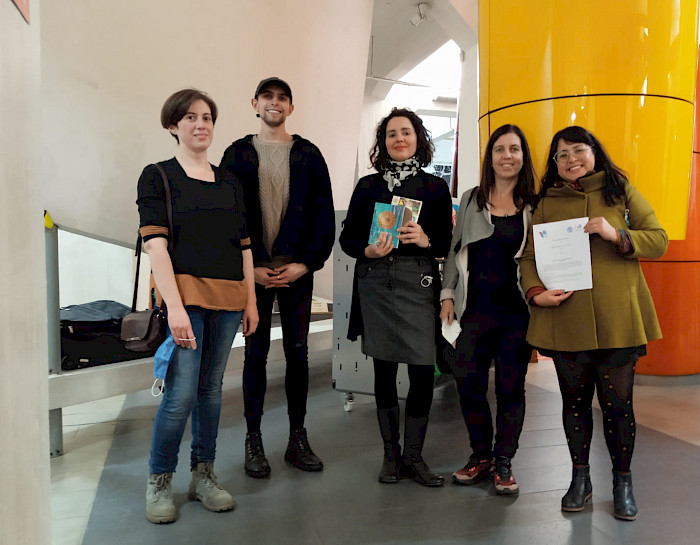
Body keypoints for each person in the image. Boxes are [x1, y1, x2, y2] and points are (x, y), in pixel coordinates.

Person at [520, 126, 668, 520]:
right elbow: (529, 257)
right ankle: (580, 480)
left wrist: (616, 233)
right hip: (567, 322)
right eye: (562, 154)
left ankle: (622, 482)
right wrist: (535, 292)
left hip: (618, 319)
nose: (571, 159)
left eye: (578, 150)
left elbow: (658, 239)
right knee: (574, 404)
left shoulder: (620, 190)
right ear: (555, 164)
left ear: (594, 152)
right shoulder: (546, 202)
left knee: (618, 405)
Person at [138, 89, 258, 523]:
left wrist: (250, 300)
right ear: (173, 125)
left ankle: (203, 475)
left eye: (207, 117)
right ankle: (159, 480)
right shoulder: (157, 176)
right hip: (185, 299)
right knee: (181, 394)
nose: (200, 124)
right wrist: (174, 308)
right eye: (190, 117)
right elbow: (156, 247)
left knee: (211, 392)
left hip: (228, 300)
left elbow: (244, 246)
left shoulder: (229, 182)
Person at [220, 77, 335, 477]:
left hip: (295, 270)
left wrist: (306, 264)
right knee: (255, 354)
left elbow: (323, 216)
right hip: (252, 271)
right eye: (267, 96)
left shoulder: (309, 154)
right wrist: (248, 268)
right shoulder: (236, 154)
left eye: (282, 98)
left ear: (291, 107)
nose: (275, 103)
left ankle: (297, 439)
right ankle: (253, 440)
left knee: (297, 353)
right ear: (254, 103)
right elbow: (225, 217)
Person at [339, 108, 453, 487]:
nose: (399, 139)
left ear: (418, 139)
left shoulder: (434, 188)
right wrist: (367, 250)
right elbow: (348, 239)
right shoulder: (367, 186)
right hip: (375, 283)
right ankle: (391, 456)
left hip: (417, 284)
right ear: (383, 142)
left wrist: (426, 240)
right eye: (391, 134)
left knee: (422, 371)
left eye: (406, 132)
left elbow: (447, 243)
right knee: (384, 370)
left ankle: (414, 457)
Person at [440, 124, 537, 495]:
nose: (506, 156)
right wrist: (447, 295)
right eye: (499, 149)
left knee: (511, 389)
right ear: (490, 157)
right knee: (468, 384)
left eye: (514, 149)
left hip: (517, 315)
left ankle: (504, 460)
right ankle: (481, 456)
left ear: (523, 156)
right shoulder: (471, 199)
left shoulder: (534, 205)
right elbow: (455, 250)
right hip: (474, 311)